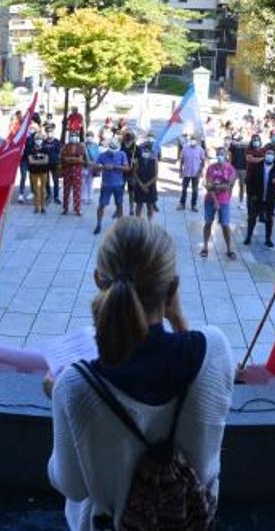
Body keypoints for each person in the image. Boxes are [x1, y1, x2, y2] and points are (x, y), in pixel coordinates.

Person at [45, 217, 233, 530]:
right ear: (172, 288)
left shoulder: (74, 386)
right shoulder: (216, 349)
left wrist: (59, 401)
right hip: (190, 519)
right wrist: (178, 317)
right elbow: (195, 373)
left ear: (97, 280)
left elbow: (71, 486)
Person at [244, 147, 275, 248]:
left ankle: (268, 239)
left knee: (269, 219)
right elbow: (250, 181)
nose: (269, 156)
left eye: (271, 154)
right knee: (252, 218)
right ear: (265, 155)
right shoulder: (258, 166)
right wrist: (251, 194)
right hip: (257, 197)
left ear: (274, 157)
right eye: (268, 154)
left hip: (270, 199)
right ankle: (248, 237)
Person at [201, 152, 237, 259]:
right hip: (210, 200)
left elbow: (228, 186)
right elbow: (208, 186)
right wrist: (216, 200)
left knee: (225, 225)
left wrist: (215, 186)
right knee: (208, 222)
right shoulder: (211, 168)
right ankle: (205, 247)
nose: (220, 156)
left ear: (226, 156)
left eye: (222, 154)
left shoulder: (231, 169)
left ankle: (229, 249)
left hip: (224, 201)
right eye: (218, 154)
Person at [93, 139, 131, 235]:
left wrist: (115, 167)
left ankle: (120, 225)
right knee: (101, 205)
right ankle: (98, 224)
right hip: (106, 184)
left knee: (119, 204)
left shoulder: (122, 154)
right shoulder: (103, 155)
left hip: (118, 184)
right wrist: (103, 167)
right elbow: (94, 166)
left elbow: (127, 168)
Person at [60, 133, 87, 216]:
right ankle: (65, 208)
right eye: (72, 136)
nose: (73, 138)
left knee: (77, 190)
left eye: (75, 136)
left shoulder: (81, 147)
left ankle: (77, 209)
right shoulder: (65, 147)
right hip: (67, 171)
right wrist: (74, 159)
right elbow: (64, 159)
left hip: (77, 171)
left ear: (78, 138)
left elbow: (80, 159)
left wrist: (71, 159)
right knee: (66, 190)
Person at [132, 139, 158, 219]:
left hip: (150, 186)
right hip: (139, 185)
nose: (145, 151)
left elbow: (156, 175)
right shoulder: (138, 160)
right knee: (139, 205)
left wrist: (146, 185)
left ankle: (149, 223)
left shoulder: (154, 161)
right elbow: (135, 173)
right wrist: (141, 185)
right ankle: (138, 223)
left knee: (150, 206)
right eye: (144, 150)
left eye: (147, 150)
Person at [178, 137, 205, 211]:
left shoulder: (200, 149)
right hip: (186, 172)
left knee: (195, 190)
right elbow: (182, 160)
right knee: (184, 189)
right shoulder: (185, 149)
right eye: (191, 140)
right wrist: (180, 170)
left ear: (196, 141)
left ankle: (194, 205)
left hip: (196, 173)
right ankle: (182, 204)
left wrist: (200, 170)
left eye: (194, 140)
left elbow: (203, 161)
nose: (193, 142)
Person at [27, 135, 51, 214]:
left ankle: (43, 207)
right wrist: (41, 161)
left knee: (43, 190)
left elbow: (46, 161)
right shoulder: (31, 149)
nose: (38, 140)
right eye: (37, 139)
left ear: (42, 140)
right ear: (34, 140)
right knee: (35, 189)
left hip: (43, 172)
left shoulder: (45, 149)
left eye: (40, 139)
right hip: (33, 172)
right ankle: (36, 207)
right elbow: (30, 161)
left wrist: (36, 161)